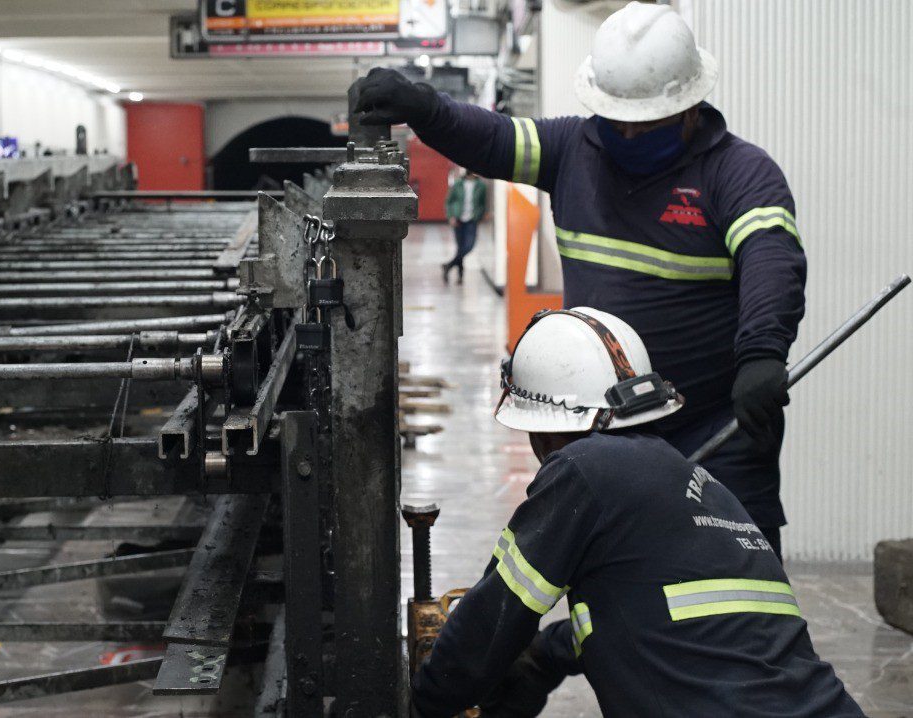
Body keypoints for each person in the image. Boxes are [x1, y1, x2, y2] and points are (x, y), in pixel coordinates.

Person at [351, 2, 804, 558]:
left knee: (739, 574)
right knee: (616, 577)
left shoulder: (738, 172)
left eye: (649, 120)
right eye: (620, 119)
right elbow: (492, 139)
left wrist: (762, 352)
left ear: (689, 106)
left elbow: (770, 256)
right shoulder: (573, 151)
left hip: (714, 429)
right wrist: (426, 108)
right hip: (608, 433)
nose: (632, 132)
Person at [410, 307, 862, 718]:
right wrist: (549, 653)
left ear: (542, 430)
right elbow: (666, 619)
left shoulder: (583, 469)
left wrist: (426, 700)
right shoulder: (705, 488)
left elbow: (494, 616)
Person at [443, 169, 487, 284]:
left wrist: (479, 214)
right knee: (460, 248)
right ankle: (460, 277)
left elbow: (483, 203)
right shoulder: (458, 184)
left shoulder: (481, 186)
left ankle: (448, 265)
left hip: (472, 220)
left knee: (469, 246)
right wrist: (451, 216)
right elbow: (449, 201)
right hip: (458, 219)